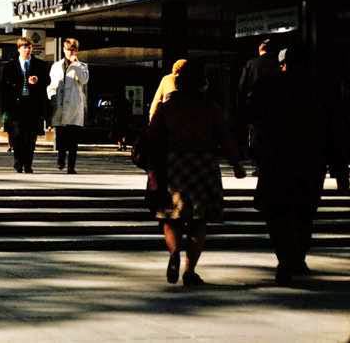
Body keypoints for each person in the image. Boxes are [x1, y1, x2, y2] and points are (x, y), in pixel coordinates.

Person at [145, 59, 246, 286]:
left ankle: (173, 253)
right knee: (200, 220)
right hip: (203, 165)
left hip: (173, 165)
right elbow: (226, 138)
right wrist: (236, 164)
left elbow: (152, 136)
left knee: (170, 216)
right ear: (203, 83)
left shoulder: (167, 107)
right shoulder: (211, 108)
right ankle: (190, 271)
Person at [254, 47, 349, 285]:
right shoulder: (324, 89)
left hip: (277, 159)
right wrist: (339, 169)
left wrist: (255, 153)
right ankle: (296, 256)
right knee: (304, 212)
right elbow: (336, 130)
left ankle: (285, 257)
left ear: (283, 64)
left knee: (276, 211)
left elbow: (253, 119)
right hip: (310, 160)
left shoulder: (268, 86)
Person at [1, 36, 50, 173]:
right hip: (16, 107)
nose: (27, 50)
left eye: (29, 47)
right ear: (19, 49)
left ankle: (28, 164)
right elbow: (3, 87)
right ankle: (18, 161)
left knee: (30, 137)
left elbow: (47, 80)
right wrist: (4, 109)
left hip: (33, 106)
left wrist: (37, 80)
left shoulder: (40, 65)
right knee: (17, 135)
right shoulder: (9, 66)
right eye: (24, 47)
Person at [47, 38, 89, 174]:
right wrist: (51, 96)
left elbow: (84, 80)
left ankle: (71, 166)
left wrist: (76, 65)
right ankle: (60, 159)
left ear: (77, 51)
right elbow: (52, 84)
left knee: (72, 140)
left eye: (73, 49)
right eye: (68, 49)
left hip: (74, 107)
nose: (70, 52)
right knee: (60, 137)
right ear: (64, 50)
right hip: (59, 105)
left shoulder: (82, 66)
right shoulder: (56, 66)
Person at [237, 38, 280, 165]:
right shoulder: (277, 64)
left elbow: (242, 87)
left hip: (255, 104)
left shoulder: (251, 64)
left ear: (260, 48)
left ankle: (257, 162)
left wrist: (241, 106)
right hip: (274, 104)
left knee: (256, 132)